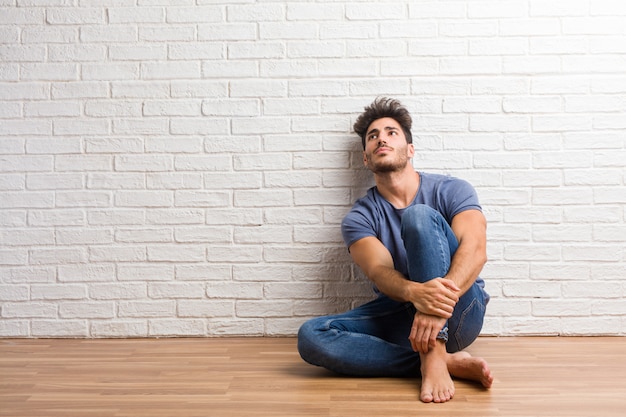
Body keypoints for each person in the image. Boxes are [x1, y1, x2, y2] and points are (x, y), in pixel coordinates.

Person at [297, 97, 494, 403]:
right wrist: (417, 295)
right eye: (373, 136)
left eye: (391, 132)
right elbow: (379, 272)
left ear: (410, 149)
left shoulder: (451, 189)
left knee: (419, 217)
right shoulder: (359, 217)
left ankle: (434, 353)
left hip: (459, 310)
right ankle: (438, 362)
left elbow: (475, 250)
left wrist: (435, 305)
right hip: (405, 314)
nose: (381, 139)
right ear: (365, 158)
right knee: (311, 336)